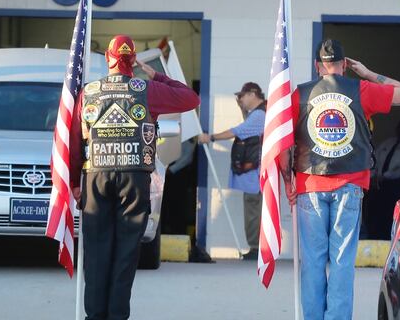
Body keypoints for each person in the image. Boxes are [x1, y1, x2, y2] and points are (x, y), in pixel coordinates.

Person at [280, 39, 400, 320]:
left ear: (318, 67)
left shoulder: (300, 94)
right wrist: (366, 73)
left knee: (313, 262)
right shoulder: (361, 89)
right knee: (341, 260)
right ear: (344, 65)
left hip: (309, 185)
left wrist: (287, 181)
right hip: (349, 185)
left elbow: (282, 143)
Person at [70, 35, 200, 320]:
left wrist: (74, 182)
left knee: (95, 253)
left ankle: (94, 316)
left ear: (108, 58)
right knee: (126, 253)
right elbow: (191, 99)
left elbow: (74, 140)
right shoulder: (147, 88)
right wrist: (158, 75)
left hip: (96, 178)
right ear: (133, 61)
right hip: (134, 180)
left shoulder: (88, 91)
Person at [198, 82, 266, 260]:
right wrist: (243, 110)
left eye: (242, 96)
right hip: (257, 174)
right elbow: (249, 127)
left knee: (252, 211)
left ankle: (254, 249)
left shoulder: (259, 115)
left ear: (252, 94)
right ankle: (256, 248)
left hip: (255, 174)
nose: (240, 99)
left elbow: (239, 131)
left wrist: (210, 137)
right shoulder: (259, 113)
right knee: (254, 210)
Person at [369, 120, 400, 239]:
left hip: (395, 185)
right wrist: (373, 175)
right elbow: (374, 158)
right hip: (378, 184)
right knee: (374, 211)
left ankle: (385, 236)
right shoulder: (388, 142)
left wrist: (385, 176)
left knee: (389, 213)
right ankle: (373, 235)